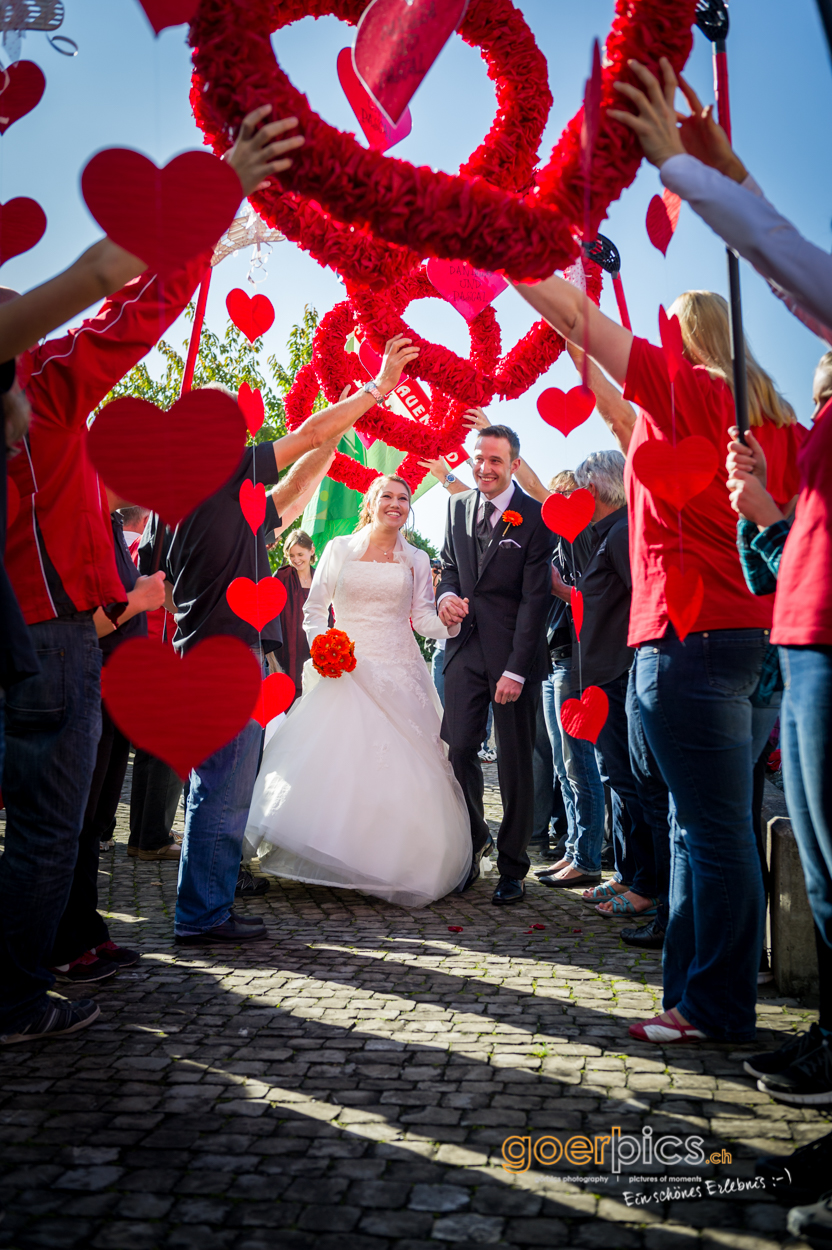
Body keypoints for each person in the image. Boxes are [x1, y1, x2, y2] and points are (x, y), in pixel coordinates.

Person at [0, 108, 306, 1046]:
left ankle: (52, 953)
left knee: (55, 825)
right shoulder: (47, 384)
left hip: (36, 625)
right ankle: (14, 996)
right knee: (51, 828)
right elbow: (122, 300)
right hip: (53, 631)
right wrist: (219, 194)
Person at [515, 251, 800, 1047]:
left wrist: (500, 253)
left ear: (685, 340)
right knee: (704, 824)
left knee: (708, 830)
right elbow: (611, 403)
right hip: (754, 645)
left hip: (689, 638)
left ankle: (714, 1008)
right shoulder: (771, 421)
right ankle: (697, 996)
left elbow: (576, 323)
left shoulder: (687, 392)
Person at [142, 336, 421, 946]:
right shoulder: (223, 470)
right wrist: (375, 390)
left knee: (212, 787)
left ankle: (205, 904)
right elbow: (311, 433)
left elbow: (290, 495)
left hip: (194, 653)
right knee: (224, 792)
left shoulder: (176, 503)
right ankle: (202, 916)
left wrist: (328, 448)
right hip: (225, 657)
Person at [245, 475, 472, 907]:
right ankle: (329, 853)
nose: (395, 503)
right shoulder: (339, 549)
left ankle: (390, 862)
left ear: (409, 508)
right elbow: (315, 610)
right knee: (337, 758)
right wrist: (324, 645)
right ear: (370, 503)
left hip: (399, 668)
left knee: (404, 764)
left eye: (403, 498)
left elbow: (421, 619)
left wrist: (449, 619)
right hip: (345, 665)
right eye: (386, 496)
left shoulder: (416, 559)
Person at [48, 498, 166, 984]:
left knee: (96, 823)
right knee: (74, 823)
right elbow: (80, 618)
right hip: (87, 686)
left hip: (116, 692)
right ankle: (63, 945)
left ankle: (89, 931)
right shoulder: (82, 519)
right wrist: (138, 601)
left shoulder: (112, 524)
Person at [437, 424, 556, 905]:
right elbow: (448, 563)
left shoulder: (535, 517)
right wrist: (446, 595)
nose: (483, 469)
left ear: (514, 465)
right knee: (459, 749)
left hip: (513, 658)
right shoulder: (457, 506)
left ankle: (513, 866)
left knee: (513, 763)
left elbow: (535, 600)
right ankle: (475, 839)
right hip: (464, 651)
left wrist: (516, 669)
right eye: (478, 460)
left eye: (494, 461)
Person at [271, 530, 317, 705]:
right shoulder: (281, 577)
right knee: (288, 696)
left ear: (311, 550)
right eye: (291, 556)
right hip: (287, 645)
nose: (296, 560)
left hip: (311, 644)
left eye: (300, 554)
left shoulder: (319, 577)